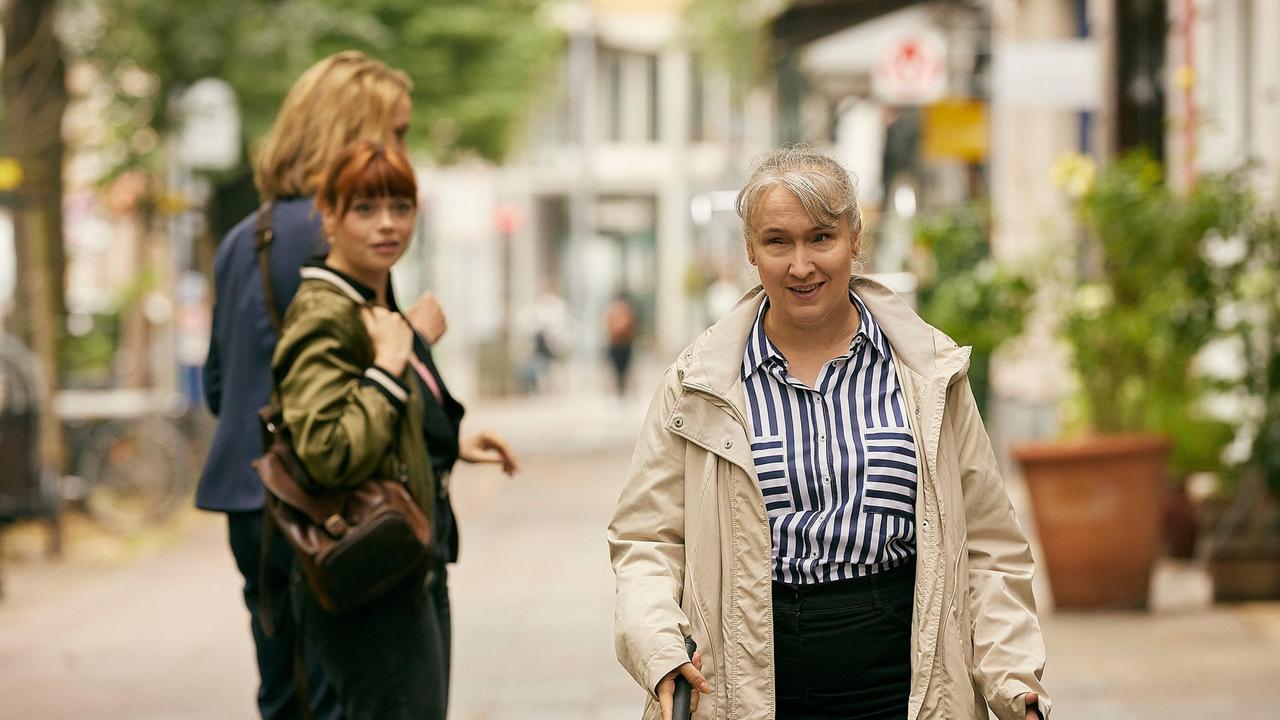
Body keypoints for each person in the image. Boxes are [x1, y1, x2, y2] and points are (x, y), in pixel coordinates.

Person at [608, 146, 1051, 720]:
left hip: (907, 683)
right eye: (777, 242)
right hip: (748, 685)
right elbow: (646, 539)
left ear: (855, 238)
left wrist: (1013, 679)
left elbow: (991, 546)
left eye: (821, 237)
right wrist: (659, 648)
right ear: (750, 249)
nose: (801, 265)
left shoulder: (928, 373)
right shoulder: (698, 384)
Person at [198, 51, 445, 719]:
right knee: (343, 695)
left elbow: (220, 385)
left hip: (248, 494)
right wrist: (413, 338)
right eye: (393, 132)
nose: (401, 150)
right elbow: (372, 372)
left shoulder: (245, 235)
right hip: (323, 502)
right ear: (350, 132)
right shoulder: (343, 234)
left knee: (286, 692)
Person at [274, 139, 519, 720]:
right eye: (364, 208)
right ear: (328, 215)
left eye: (400, 206)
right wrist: (389, 366)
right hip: (371, 577)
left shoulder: (372, 302)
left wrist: (448, 442)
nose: (387, 224)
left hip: (404, 562)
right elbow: (327, 451)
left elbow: (368, 421)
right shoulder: (324, 312)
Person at [604, 291, 636, 396]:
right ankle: (619, 386)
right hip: (616, 343)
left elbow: (631, 326)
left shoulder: (628, 312)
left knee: (624, 368)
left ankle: (622, 387)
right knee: (617, 368)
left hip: (625, 343)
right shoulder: (613, 312)